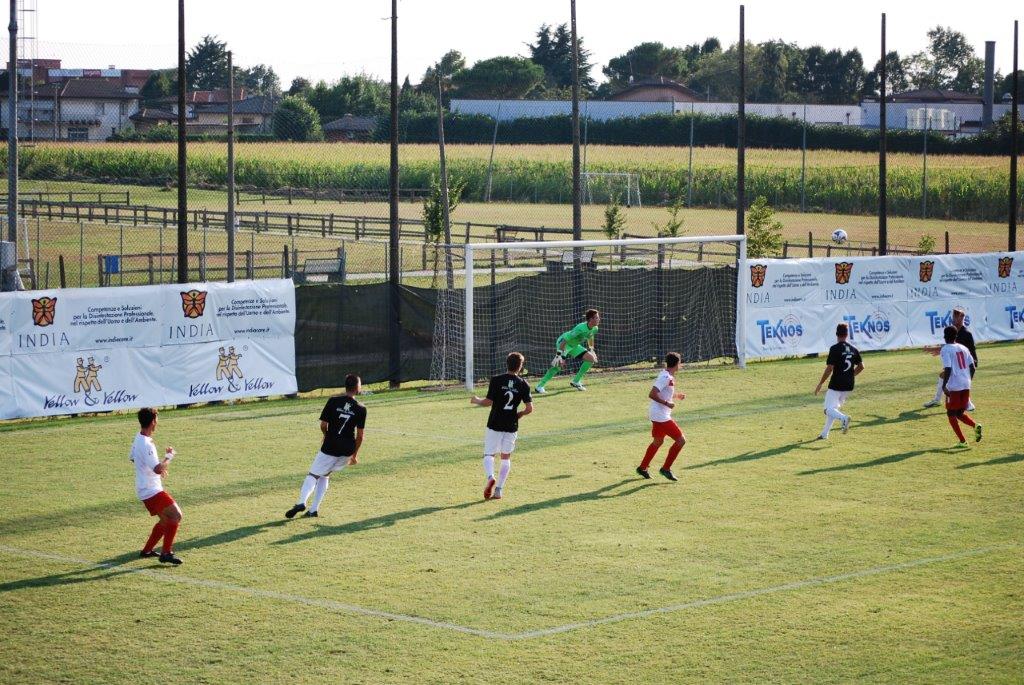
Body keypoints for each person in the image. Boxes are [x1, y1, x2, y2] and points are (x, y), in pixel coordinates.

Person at [285, 374, 366, 519]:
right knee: (325, 474)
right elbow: (360, 436)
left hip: (331, 445)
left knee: (313, 475)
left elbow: (323, 425)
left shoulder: (333, 401)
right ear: (357, 388)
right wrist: (354, 455)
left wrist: (326, 435)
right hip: (347, 449)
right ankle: (313, 510)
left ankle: (301, 502)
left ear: (346, 386)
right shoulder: (361, 408)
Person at [470, 352, 533, 500]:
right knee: (505, 457)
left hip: (495, 422)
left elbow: (488, 402)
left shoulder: (497, 380)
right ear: (520, 366)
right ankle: (498, 490)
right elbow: (529, 408)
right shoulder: (523, 384)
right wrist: (520, 414)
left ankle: (490, 477)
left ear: (507, 363)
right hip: (511, 424)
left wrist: (476, 400)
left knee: (489, 454)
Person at [130, 407, 183, 565]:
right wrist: (169, 457)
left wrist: (151, 470)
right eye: (157, 419)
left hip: (144, 488)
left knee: (166, 520)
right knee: (176, 515)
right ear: (153, 421)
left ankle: (147, 551)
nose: (157, 422)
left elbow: (133, 458)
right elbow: (158, 468)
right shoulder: (147, 444)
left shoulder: (138, 438)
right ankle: (166, 553)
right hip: (151, 490)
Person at [636, 352, 686, 482]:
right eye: (680, 362)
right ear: (677, 364)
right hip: (661, 415)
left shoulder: (667, 375)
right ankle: (666, 469)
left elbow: (663, 392)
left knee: (658, 442)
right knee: (681, 441)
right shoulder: (665, 377)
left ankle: (642, 468)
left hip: (657, 414)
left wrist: (676, 396)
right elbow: (652, 394)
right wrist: (667, 403)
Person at [814, 323, 864, 440]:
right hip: (849, 385)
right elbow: (861, 366)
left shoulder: (834, 349)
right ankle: (824, 434)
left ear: (837, 334)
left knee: (827, 410)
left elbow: (829, 368)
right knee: (833, 409)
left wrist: (820, 383)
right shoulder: (854, 349)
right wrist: (851, 375)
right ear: (847, 334)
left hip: (836, 384)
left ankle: (844, 418)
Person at [535, 308, 600, 393]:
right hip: (564, 343)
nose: (599, 319)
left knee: (590, 359)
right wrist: (558, 355)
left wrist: (591, 349)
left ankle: (576, 381)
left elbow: (590, 336)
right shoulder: (580, 328)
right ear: (591, 319)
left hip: (574, 345)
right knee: (558, 366)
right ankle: (539, 386)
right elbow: (564, 341)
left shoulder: (595, 328)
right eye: (597, 318)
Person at [924, 307, 977, 411]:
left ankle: (967, 402)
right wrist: (939, 350)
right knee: (943, 375)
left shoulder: (965, 333)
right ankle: (937, 400)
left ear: (962, 318)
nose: (954, 318)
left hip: (967, 364)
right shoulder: (955, 331)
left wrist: (935, 349)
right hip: (960, 363)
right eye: (954, 316)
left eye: (957, 316)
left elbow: (958, 349)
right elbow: (952, 348)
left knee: (954, 379)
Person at [939, 325, 982, 446]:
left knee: (951, 413)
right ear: (956, 336)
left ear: (944, 336)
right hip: (966, 384)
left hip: (954, 386)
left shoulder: (945, 349)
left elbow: (948, 368)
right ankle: (975, 425)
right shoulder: (963, 348)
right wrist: (968, 380)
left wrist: (944, 385)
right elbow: (973, 367)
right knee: (959, 413)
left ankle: (962, 441)